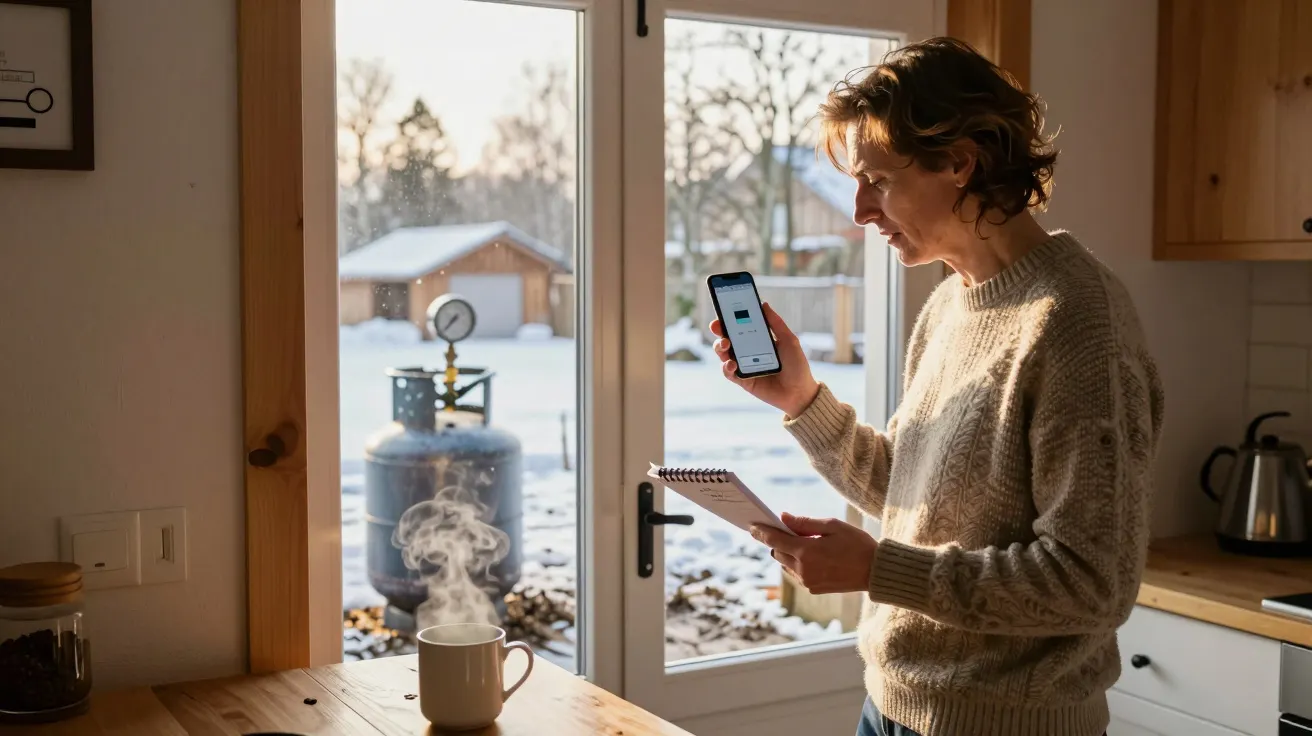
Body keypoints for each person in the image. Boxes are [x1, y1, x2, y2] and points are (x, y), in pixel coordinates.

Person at [709, 38, 1164, 736]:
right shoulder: (950, 305)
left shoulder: (1078, 323)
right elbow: (914, 493)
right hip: (891, 707)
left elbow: (1090, 583)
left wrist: (879, 569)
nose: (859, 209)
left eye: (879, 181)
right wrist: (800, 399)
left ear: (960, 161)